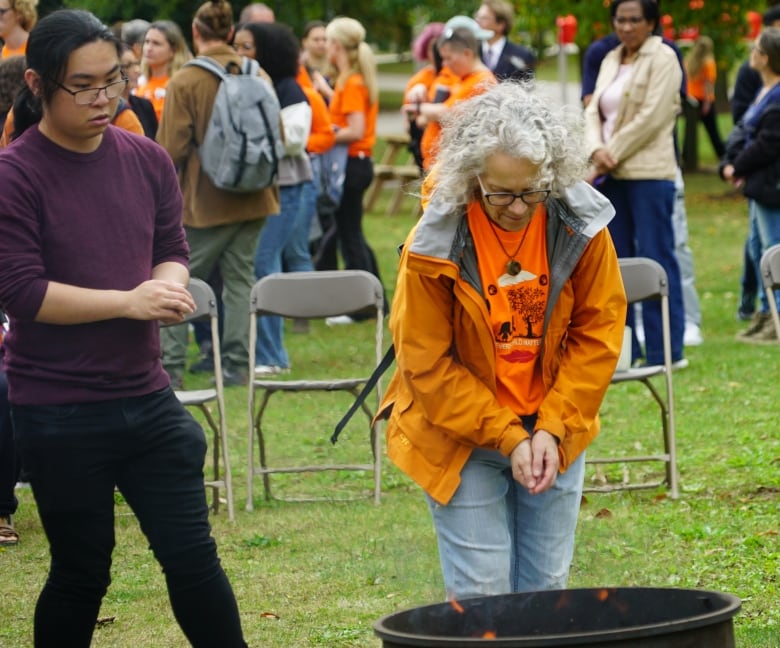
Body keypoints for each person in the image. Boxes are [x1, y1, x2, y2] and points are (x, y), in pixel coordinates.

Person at [0, 9, 248, 646]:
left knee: (193, 557)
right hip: (58, 406)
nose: (104, 98)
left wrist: (164, 285)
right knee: (82, 571)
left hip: (146, 395)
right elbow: (22, 292)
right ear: (37, 85)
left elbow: (171, 246)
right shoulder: (16, 174)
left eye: (114, 79)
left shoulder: (146, 158)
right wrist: (128, 301)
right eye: (83, 86)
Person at [377, 82, 626, 599]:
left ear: (551, 175)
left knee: (546, 591)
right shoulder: (435, 241)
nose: (517, 208)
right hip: (460, 434)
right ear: (471, 181)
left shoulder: (583, 226)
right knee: (482, 596)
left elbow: (599, 333)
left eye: (531, 191)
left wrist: (551, 430)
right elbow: (425, 363)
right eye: (501, 194)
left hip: (554, 427)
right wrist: (509, 436)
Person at [157, 0, 279, 387]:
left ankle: (171, 366)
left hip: (205, 203)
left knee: (179, 280)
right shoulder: (256, 72)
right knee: (240, 282)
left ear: (195, 32)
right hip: (257, 195)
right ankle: (237, 365)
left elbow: (171, 148)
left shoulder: (185, 80)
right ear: (230, 33)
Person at [584, 0, 685, 368]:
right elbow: (592, 109)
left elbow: (653, 117)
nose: (626, 27)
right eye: (620, 20)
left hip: (648, 174)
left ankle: (665, 351)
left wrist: (610, 151)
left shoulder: (664, 58)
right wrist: (595, 148)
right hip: (610, 176)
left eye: (634, 20)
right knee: (615, 264)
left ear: (651, 23)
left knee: (656, 261)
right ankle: (625, 351)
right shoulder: (611, 58)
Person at [232, 21, 313, 374]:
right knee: (254, 264)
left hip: (287, 187)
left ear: (267, 51)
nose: (240, 54)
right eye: (238, 46)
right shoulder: (243, 87)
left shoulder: (289, 89)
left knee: (265, 262)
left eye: (248, 47)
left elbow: (293, 139)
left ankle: (272, 356)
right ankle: (258, 350)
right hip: (256, 187)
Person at [314, 16, 388, 324]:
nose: (325, 48)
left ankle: (365, 307)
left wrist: (324, 134)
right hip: (355, 164)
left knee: (350, 235)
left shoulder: (353, 81)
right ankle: (376, 300)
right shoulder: (348, 79)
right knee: (350, 233)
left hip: (353, 164)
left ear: (338, 46)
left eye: (329, 42)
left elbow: (355, 129)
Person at [720, 27, 780, 344]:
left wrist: (737, 165)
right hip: (758, 184)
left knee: (774, 250)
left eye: (755, 49)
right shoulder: (764, 90)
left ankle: (778, 315)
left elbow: (768, 143)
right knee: (758, 248)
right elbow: (744, 132)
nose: (751, 55)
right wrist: (730, 162)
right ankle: (765, 311)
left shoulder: (778, 95)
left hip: (772, 184)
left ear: (766, 57)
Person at [404, 18, 496, 173]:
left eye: (448, 58)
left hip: (453, 170)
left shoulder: (482, 81)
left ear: (467, 54)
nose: (444, 64)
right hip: (439, 167)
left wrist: (422, 109)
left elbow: (448, 114)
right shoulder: (463, 78)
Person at [136, 19, 191, 122]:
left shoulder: (180, 85)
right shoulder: (137, 82)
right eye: (147, 42)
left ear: (173, 50)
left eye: (156, 44)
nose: (149, 48)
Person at [683, 35, 725, 161]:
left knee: (689, 131)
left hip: (691, 99)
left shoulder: (688, 61)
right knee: (712, 130)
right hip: (704, 99)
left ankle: (686, 155)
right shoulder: (708, 63)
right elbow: (708, 84)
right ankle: (722, 153)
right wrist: (707, 103)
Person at [474, 0, 535, 81]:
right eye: (477, 17)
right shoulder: (470, 53)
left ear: (501, 25)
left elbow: (527, 90)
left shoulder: (523, 56)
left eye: (484, 18)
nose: (477, 22)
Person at [120, 42, 157, 138]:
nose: (137, 70)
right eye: (128, 66)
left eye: (136, 63)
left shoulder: (145, 106)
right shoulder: (105, 109)